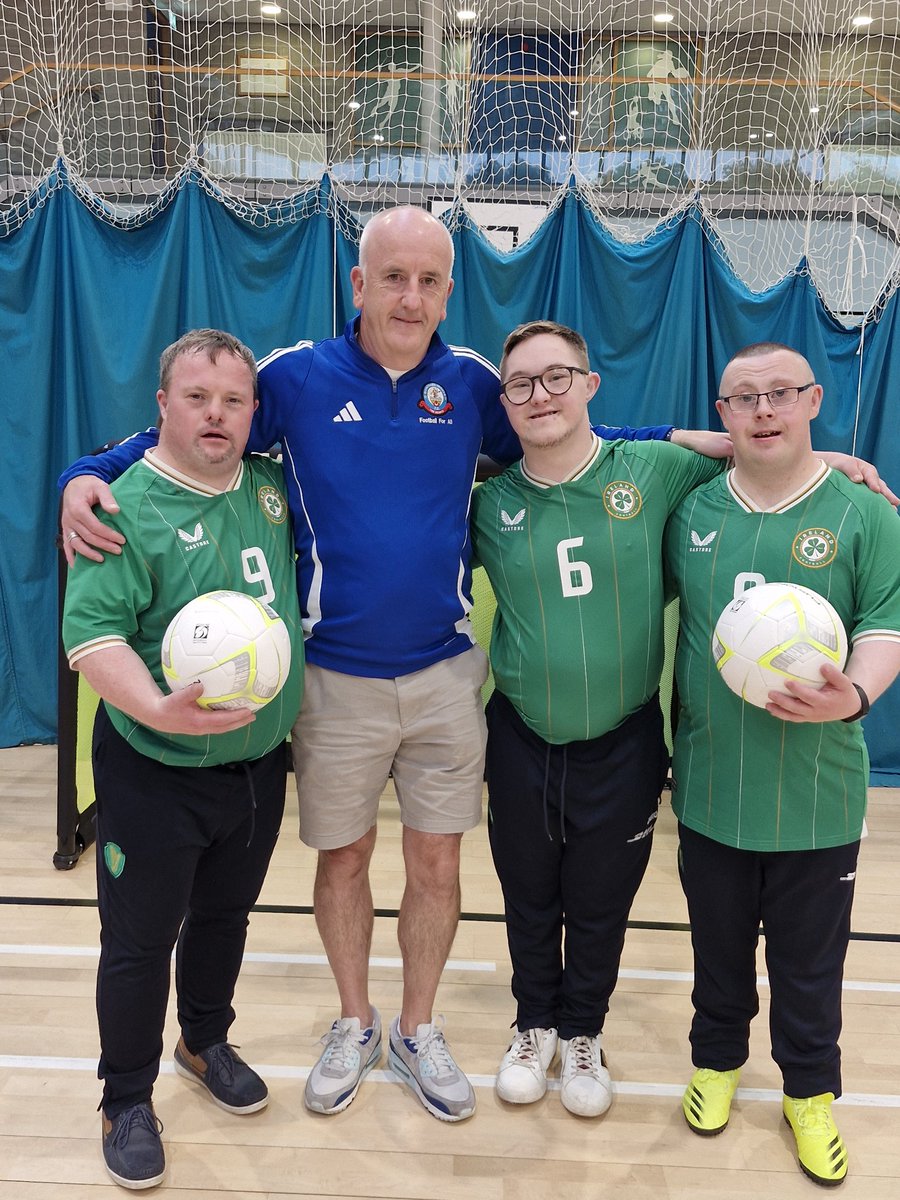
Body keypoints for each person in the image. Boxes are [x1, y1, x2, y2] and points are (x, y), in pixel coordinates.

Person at [57, 207, 890, 1123]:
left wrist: (770, 448)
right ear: (358, 283)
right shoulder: (291, 378)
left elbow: (577, 431)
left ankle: (417, 1028)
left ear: (449, 290)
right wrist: (86, 470)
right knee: (343, 860)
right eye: (392, 277)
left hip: (448, 673)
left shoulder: (473, 383)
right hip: (332, 674)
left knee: (437, 863)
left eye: (428, 280)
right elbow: (190, 432)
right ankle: (353, 1020)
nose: (409, 296)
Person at [469, 320, 731, 1118]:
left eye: (557, 377)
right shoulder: (486, 503)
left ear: (590, 385)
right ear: (504, 404)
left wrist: (835, 463)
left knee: (600, 901)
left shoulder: (650, 469)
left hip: (621, 742)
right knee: (526, 894)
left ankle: (584, 1032)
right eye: (520, 384)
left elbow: (757, 454)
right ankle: (534, 1024)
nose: (539, 395)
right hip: (519, 736)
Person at [61, 329, 303, 1190]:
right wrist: (160, 708)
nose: (216, 414)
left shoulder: (271, 488)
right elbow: (92, 637)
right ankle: (124, 1096)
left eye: (233, 400)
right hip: (152, 768)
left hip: (254, 769)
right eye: (196, 397)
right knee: (136, 942)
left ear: (252, 412)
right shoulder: (123, 505)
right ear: (161, 406)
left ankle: (203, 1042)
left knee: (225, 919)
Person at [664, 343, 900, 1186]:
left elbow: (884, 625)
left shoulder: (863, 512)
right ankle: (718, 1062)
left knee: (810, 959)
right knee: (717, 946)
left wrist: (858, 698)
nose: (764, 410)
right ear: (723, 417)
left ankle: (810, 1092)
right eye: (744, 399)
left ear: (813, 400)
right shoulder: (691, 510)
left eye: (781, 394)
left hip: (818, 793)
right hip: (711, 784)